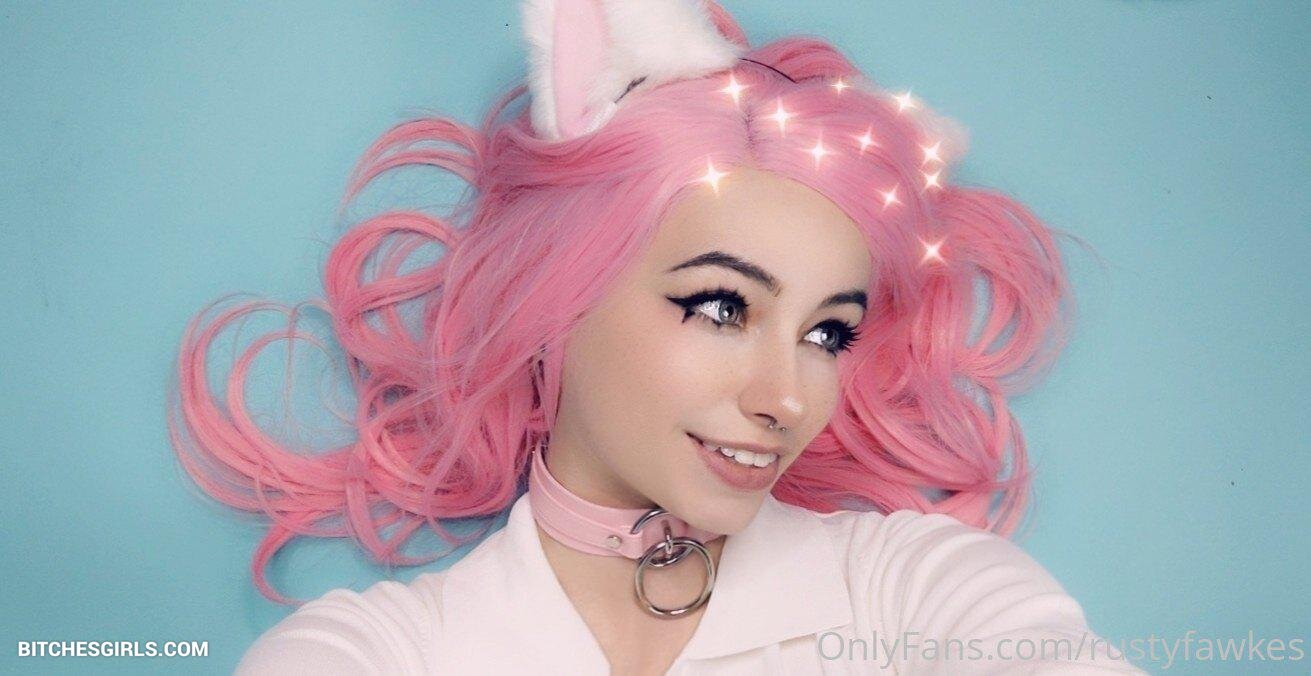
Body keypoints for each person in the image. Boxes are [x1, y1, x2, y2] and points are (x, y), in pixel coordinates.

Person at [168, 1, 1144, 673]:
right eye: (722, 308)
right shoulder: (380, 655)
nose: (785, 396)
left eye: (826, 332)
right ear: (559, 294)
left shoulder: (912, 589)